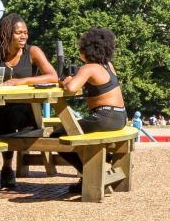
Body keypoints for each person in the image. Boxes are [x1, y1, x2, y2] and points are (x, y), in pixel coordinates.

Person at [0, 13, 58, 190]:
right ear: (7, 34)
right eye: (18, 33)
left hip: (26, 109)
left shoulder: (32, 52)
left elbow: (53, 76)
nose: (23, 36)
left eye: (25, 32)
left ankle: (7, 168)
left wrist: (22, 81)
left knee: (6, 116)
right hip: (0, 106)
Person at [54, 28, 126, 183]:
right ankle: (110, 159)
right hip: (120, 116)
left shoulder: (88, 67)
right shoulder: (108, 64)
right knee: (77, 132)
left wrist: (66, 81)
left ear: (87, 50)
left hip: (104, 117)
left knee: (57, 137)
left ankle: (89, 176)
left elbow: (71, 88)